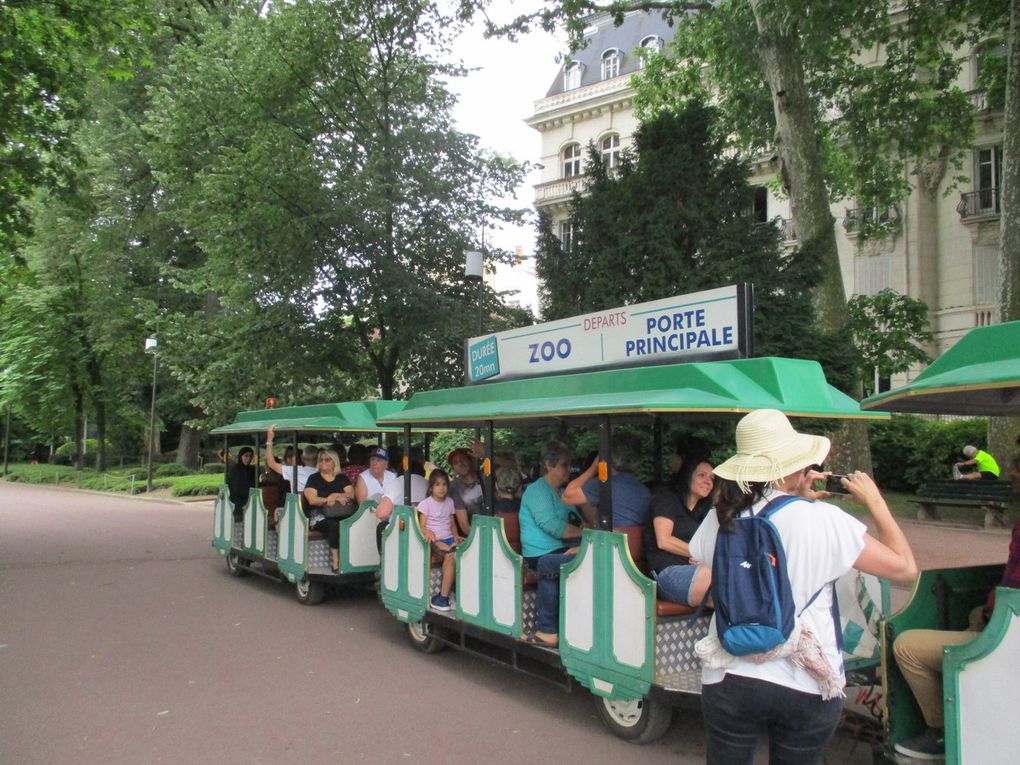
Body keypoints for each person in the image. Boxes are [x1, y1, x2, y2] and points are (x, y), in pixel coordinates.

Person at [688, 408, 918, 764]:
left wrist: (794, 502)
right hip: (805, 680)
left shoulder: (720, 516)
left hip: (729, 675)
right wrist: (875, 502)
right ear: (796, 466)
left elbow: (701, 555)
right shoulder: (824, 520)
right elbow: (904, 568)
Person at [891, 517, 1020, 759]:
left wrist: (986, 616)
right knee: (974, 615)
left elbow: (1013, 594)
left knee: (906, 647)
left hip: (1011, 646)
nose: (1014, 476)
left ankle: (943, 732)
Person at [519, 442, 585, 647]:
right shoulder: (537, 491)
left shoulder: (562, 492)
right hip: (540, 552)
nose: (569, 470)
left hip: (561, 546)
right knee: (557, 562)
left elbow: (577, 519)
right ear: (549, 465)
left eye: (569, 465)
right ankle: (548, 628)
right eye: (564, 465)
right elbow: (554, 527)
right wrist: (586, 535)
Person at [644, 457, 714, 607]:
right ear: (687, 476)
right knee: (717, 578)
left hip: (697, 570)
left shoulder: (704, 510)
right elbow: (664, 540)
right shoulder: (666, 499)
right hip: (667, 573)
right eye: (702, 475)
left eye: (712, 478)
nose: (708, 481)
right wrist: (697, 553)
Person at [561, 435, 651, 528]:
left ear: (608, 457)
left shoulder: (603, 485)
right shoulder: (644, 491)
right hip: (634, 542)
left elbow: (566, 497)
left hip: (608, 541)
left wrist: (595, 466)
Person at [303, 448, 355, 573]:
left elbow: (351, 494)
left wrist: (335, 495)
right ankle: (336, 561)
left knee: (351, 524)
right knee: (333, 525)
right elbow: (312, 499)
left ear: (334, 462)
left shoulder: (342, 478)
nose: (323, 463)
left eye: (327, 460)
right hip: (319, 515)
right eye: (321, 460)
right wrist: (327, 499)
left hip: (341, 513)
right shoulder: (313, 478)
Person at [417, 469, 462, 611]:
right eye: (437, 485)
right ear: (431, 488)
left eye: (444, 484)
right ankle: (442, 598)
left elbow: (452, 524)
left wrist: (456, 536)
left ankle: (455, 594)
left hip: (448, 538)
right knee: (450, 556)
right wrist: (428, 532)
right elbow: (422, 526)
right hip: (434, 540)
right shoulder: (426, 504)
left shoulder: (450, 502)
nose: (441, 488)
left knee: (463, 550)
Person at [265, 426, 317, 495]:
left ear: (302, 458)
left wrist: (269, 440)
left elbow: (271, 463)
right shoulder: (325, 472)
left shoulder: (295, 470)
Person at [448, 447, 485, 535]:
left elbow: (510, 464)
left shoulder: (486, 477)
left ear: (471, 460)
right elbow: (465, 526)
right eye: (455, 462)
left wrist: (486, 454)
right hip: (476, 535)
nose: (460, 463)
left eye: (463, 459)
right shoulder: (454, 488)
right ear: (453, 469)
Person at [227, 446, 257, 521]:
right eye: (246, 456)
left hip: (251, 503)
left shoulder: (252, 470)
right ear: (241, 456)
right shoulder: (235, 470)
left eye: (250, 456)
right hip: (238, 505)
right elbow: (236, 488)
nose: (248, 459)